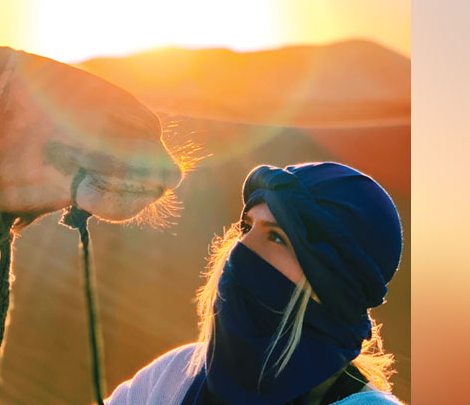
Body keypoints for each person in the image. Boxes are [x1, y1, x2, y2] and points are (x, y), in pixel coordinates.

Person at [105, 162, 405, 405]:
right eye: (246, 227)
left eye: (276, 237)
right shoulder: (176, 374)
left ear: (334, 285)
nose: (242, 247)